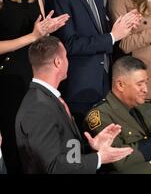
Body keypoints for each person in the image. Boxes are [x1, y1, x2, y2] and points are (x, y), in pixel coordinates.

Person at [45, 0, 141, 127]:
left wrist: (123, 27)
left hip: (103, 84)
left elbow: (103, 34)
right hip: (80, 88)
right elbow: (68, 44)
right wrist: (112, 37)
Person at [15, 36, 133, 174]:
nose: (67, 61)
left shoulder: (47, 98)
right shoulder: (38, 107)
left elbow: (63, 152)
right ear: (58, 62)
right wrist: (99, 159)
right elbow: (51, 167)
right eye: (65, 56)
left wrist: (92, 147)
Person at [0, 0, 68, 174]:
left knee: (40, 148)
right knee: (15, 148)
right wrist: (32, 36)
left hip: (37, 81)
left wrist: (47, 33)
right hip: (9, 83)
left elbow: (39, 41)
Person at [84, 56, 151, 174]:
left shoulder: (149, 110)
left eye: (146, 83)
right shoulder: (100, 115)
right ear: (120, 85)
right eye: (140, 84)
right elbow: (119, 163)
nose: (145, 89)